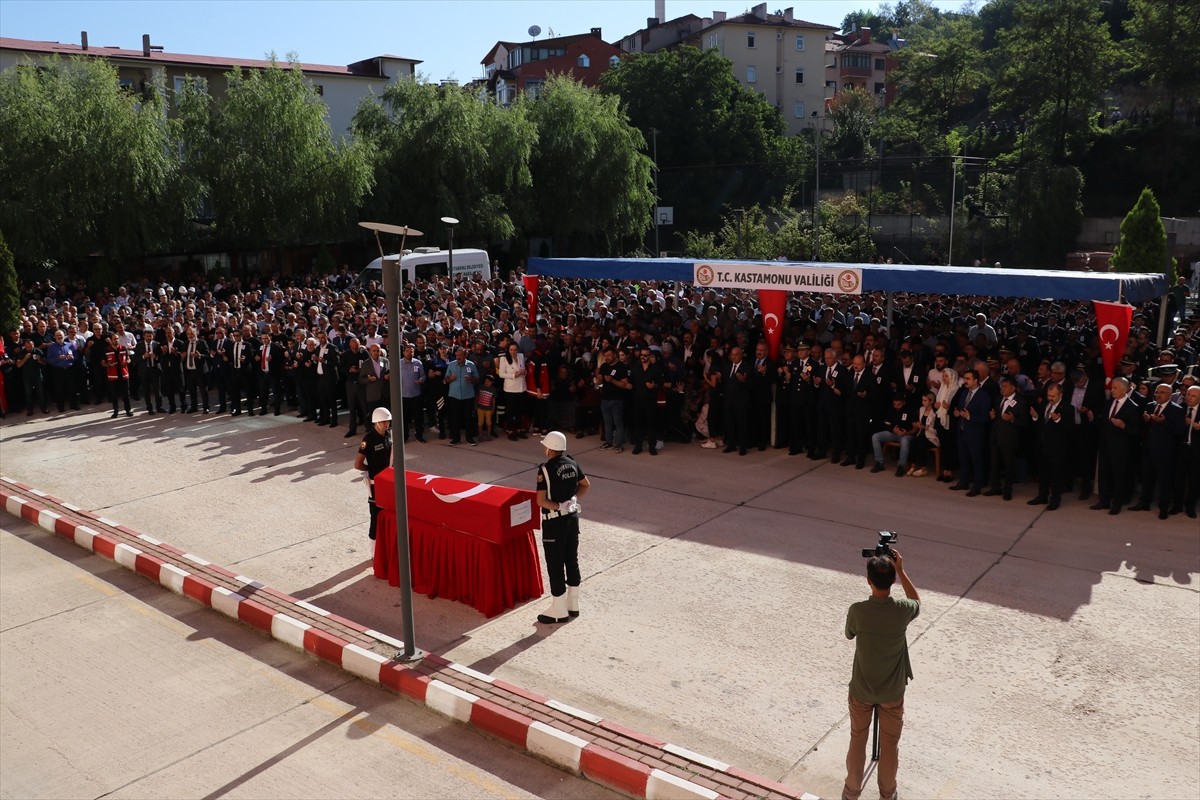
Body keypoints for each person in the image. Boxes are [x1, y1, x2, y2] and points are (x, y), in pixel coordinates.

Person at [843, 550, 920, 800]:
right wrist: (900, 569)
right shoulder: (902, 610)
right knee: (889, 747)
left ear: (868, 580)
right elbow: (916, 601)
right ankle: (888, 794)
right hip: (892, 693)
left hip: (862, 691)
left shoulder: (858, 610)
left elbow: (849, 634)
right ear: (892, 582)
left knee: (857, 740)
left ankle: (851, 792)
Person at [534, 430, 591, 624]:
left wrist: (558, 505)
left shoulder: (545, 470)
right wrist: (573, 499)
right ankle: (573, 604)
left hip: (554, 522)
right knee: (571, 559)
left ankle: (558, 608)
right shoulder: (573, 463)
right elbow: (586, 485)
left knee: (555, 563)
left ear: (550, 448)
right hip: (572, 519)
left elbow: (541, 501)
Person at [354, 406, 393, 542]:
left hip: (388, 481)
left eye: (387, 421)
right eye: (383, 422)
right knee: (375, 516)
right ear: (376, 422)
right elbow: (357, 464)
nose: (386, 424)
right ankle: (374, 548)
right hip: (376, 484)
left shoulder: (389, 435)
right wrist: (370, 470)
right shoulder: (369, 439)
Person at [444, 346, 479, 446]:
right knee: (455, 418)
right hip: (454, 396)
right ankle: (456, 438)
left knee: (468, 418)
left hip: (468, 396)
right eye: (457, 355)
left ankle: (469, 438)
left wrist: (471, 379)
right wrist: (450, 378)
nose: (458, 357)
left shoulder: (471, 365)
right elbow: (445, 380)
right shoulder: (451, 365)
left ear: (465, 355)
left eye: (460, 355)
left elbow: (477, 379)